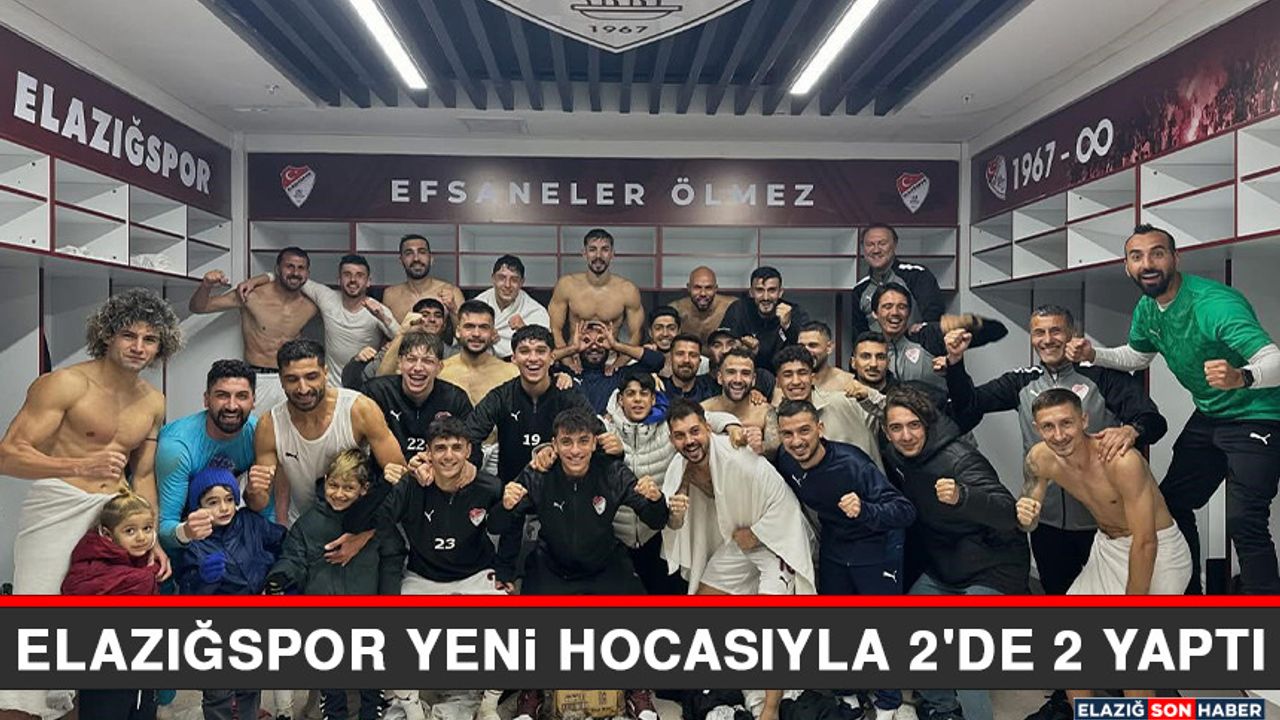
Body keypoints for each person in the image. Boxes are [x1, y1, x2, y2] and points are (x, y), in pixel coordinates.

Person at [1066, 224, 1280, 594]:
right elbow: (1138, 356)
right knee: (1172, 504)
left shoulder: (1214, 304)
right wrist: (1094, 354)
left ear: (1175, 258)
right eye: (1137, 256)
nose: (1147, 263)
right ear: (1127, 266)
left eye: (1157, 253)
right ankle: (1189, 598)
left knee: (1244, 520)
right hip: (1210, 415)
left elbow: (1273, 359)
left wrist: (1242, 376)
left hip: (1257, 413)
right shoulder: (1148, 308)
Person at [0, 289, 177, 719]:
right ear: (107, 335)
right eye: (128, 335)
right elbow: (8, 455)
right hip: (58, 506)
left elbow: (144, 475)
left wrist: (150, 535)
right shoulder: (64, 384)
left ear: (162, 346)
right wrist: (80, 463)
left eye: (150, 339)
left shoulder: (153, 401)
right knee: (36, 634)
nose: (138, 347)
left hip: (114, 515)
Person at [944, 306, 1168, 592]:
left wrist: (1131, 430)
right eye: (1039, 332)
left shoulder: (1103, 376)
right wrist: (955, 362)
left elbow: (1154, 422)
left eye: (1056, 331)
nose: (1047, 339)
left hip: (1103, 525)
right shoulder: (1020, 381)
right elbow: (969, 405)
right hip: (1048, 524)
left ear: (1072, 334)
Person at [1020, 389, 1193, 706]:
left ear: (1084, 420)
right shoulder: (1039, 458)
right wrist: (1026, 515)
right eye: (1048, 426)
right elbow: (1029, 515)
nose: (1059, 435)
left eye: (1066, 423)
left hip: (1158, 551)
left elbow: (1146, 542)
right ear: (1036, 428)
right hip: (1108, 546)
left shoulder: (1122, 461)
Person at [881, 386, 1027, 720]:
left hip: (994, 566)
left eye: (914, 425)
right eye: (896, 428)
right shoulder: (897, 456)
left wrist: (963, 496)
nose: (906, 435)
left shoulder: (960, 458)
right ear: (887, 432)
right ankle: (944, 708)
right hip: (946, 566)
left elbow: (1008, 513)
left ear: (927, 424)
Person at [774, 400, 914, 720]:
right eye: (788, 433)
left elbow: (905, 511)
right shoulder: (786, 459)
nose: (797, 441)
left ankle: (888, 701)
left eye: (804, 431)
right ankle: (847, 693)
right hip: (836, 546)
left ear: (820, 429)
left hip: (876, 545)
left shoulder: (852, 463)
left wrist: (865, 509)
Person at [266, 449, 405, 720]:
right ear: (325, 482)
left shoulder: (377, 523)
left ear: (364, 489)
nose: (339, 494)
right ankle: (333, 707)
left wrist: (388, 598)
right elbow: (293, 557)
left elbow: (393, 556)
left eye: (349, 488)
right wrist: (280, 576)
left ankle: (372, 704)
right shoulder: (309, 523)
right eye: (334, 485)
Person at [383, 418, 506, 720]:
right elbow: (380, 519)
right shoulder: (413, 484)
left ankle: (488, 706)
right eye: (440, 448)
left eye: (456, 447)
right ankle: (412, 710)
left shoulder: (489, 486)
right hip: (423, 575)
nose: (448, 455)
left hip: (476, 574)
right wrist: (400, 479)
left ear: (468, 450)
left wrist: (506, 573)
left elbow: (510, 527)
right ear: (428, 452)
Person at [602, 368, 744, 594]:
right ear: (620, 400)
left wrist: (731, 425)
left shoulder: (668, 429)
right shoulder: (605, 429)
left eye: (644, 393)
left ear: (653, 399)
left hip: (658, 533)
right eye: (631, 394)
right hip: (616, 538)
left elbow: (703, 418)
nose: (638, 399)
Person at [255, 339, 405, 543]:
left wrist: (364, 534)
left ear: (325, 373)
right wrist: (253, 491)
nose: (303, 388)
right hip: (302, 526)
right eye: (292, 379)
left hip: (356, 524)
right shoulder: (269, 425)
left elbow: (399, 476)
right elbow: (259, 501)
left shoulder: (359, 409)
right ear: (281, 380)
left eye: (311, 377)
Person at [662, 399, 816, 595]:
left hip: (777, 538)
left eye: (695, 431)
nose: (689, 441)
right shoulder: (680, 469)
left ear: (708, 428)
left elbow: (785, 503)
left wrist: (756, 534)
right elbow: (674, 524)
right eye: (680, 436)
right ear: (671, 439)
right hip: (739, 540)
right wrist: (676, 514)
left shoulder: (737, 458)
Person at [175, 461, 283, 720]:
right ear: (198, 507)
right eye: (212, 502)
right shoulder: (194, 542)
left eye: (228, 499)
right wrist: (204, 579)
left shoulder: (250, 522)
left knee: (250, 687)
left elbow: (283, 542)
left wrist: (281, 576)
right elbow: (186, 592)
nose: (223, 508)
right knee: (218, 693)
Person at [61, 491, 159, 720]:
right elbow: (76, 591)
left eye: (147, 528)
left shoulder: (142, 564)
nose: (142, 537)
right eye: (130, 531)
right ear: (107, 534)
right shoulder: (92, 566)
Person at [156, 360, 271, 553]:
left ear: (253, 401)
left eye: (242, 396)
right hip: (180, 530)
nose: (232, 406)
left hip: (221, 526)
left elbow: (268, 511)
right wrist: (186, 531)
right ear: (206, 399)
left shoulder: (258, 433)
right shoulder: (177, 446)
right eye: (222, 395)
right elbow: (164, 526)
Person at [189, 248, 318, 414]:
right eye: (289, 266)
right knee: (252, 427)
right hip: (258, 377)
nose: (295, 273)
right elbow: (199, 307)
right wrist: (206, 285)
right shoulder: (251, 295)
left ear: (307, 273)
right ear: (278, 269)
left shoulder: (311, 305)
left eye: (301, 268)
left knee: (292, 428)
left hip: (291, 377)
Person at [463, 325, 593, 483]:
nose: (533, 358)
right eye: (524, 351)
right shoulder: (501, 396)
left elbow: (597, 434)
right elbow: (468, 435)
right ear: (513, 358)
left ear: (552, 357)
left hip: (561, 489)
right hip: (513, 489)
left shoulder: (568, 394)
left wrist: (556, 450)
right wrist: (471, 465)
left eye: (540, 351)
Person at [871, 282, 1007, 400]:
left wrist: (967, 322)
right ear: (875, 313)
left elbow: (998, 330)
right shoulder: (868, 348)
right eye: (887, 306)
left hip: (941, 419)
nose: (895, 312)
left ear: (909, 312)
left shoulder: (928, 335)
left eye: (902, 307)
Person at [361, 330, 475, 464]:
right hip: (386, 472)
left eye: (428, 361)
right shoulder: (375, 393)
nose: (418, 367)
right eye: (411, 359)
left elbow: (474, 453)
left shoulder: (456, 399)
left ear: (439, 367)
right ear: (399, 363)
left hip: (439, 473)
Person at [773, 346, 883, 470]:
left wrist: (869, 395)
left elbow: (891, 415)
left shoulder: (844, 401)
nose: (796, 381)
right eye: (788, 375)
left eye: (802, 373)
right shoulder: (778, 420)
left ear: (812, 377)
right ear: (778, 382)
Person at [548, 228, 645, 356]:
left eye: (605, 249)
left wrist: (618, 364)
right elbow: (555, 329)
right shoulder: (567, 285)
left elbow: (636, 334)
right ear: (584, 253)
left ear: (612, 254)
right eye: (592, 249)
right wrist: (568, 361)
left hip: (610, 358)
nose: (598, 255)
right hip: (574, 355)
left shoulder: (627, 290)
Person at [851, 222, 945, 337]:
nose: (876, 250)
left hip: (916, 346)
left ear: (894, 245)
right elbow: (859, 334)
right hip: (878, 348)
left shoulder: (917, 275)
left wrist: (920, 333)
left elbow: (934, 318)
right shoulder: (860, 289)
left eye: (882, 243)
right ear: (863, 249)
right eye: (870, 244)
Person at [553, 319, 665, 413]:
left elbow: (657, 361)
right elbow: (545, 361)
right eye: (586, 341)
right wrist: (573, 348)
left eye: (601, 340)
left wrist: (616, 345)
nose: (594, 346)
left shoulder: (619, 375)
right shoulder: (566, 376)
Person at [720, 267, 809, 374]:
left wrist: (788, 326)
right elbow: (722, 345)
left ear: (780, 292)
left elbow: (805, 353)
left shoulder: (795, 312)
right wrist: (742, 348)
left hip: (783, 375)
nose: (766, 297)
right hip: (745, 373)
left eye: (772, 290)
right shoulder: (739, 309)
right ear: (751, 292)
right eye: (760, 290)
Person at [702, 349, 779, 457]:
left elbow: (776, 448)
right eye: (731, 372)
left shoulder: (765, 412)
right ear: (720, 377)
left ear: (753, 380)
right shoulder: (703, 410)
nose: (738, 380)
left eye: (745, 373)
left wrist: (761, 447)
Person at [381, 233, 465, 327]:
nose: (416, 258)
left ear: (431, 259)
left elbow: (465, 331)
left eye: (422, 252)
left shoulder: (452, 292)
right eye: (409, 253)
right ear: (401, 260)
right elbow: (385, 333)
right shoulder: (390, 295)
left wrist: (453, 310)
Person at [474, 254, 549, 359]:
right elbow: (463, 339)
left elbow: (545, 349)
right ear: (493, 279)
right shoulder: (478, 304)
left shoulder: (535, 311)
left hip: (519, 364)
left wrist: (525, 331)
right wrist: (483, 340)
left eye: (514, 279)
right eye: (502, 278)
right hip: (481, 362)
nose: (507, 285)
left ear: (521, 282)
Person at [670, 266, 735, 345]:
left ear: (715, 289)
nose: (703, 293)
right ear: (689, 288)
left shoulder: (731, 307)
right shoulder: (677, 310)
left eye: (708, 288)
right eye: (697, 287)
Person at [706, 327, 776, 398]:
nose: (724, 350)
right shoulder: (702, 384)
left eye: (731, 343)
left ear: (741, 345)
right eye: (717, 346)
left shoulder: (764, 378)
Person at [797, 321, 857, 392]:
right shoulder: (789, 382)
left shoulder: (848, 383)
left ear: (829, 347)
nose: (806, 351)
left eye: (813, 345)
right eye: (801, 346)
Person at [664, 334, 721, 403]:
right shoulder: (659, 389)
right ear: (670, 359)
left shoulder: (712, 389)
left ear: (700, 361)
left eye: (693, 355)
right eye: (680, 354)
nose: (686, 360)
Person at [645, 305, 684, 376]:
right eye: (658, 328)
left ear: (679, 331)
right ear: (650, 332)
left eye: (671, 328)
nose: (665, 334)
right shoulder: (636, 362)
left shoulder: (696, 361)